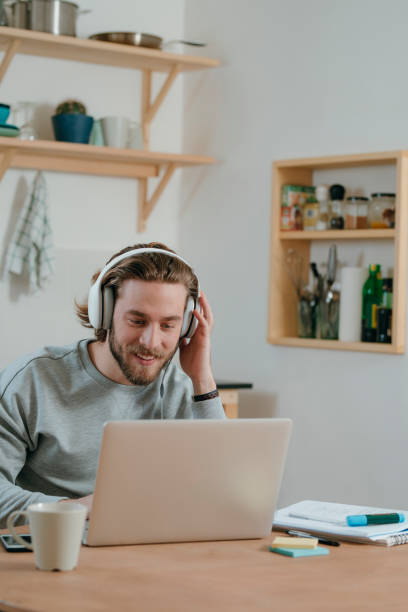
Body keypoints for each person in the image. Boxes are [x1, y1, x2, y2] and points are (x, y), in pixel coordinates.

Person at [0, 242, 225, 527]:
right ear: (103, 312)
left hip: (149, 551)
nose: (151, 342)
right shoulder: (32, 381)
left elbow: (222, 492)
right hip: (54, 551)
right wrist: (75, 510)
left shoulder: (182, 389)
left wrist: (202, 378)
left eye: (168, 325)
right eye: (137, 320)